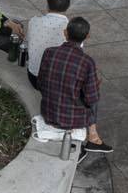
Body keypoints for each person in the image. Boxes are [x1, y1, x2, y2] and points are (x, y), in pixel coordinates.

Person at [37, 16, 114, 157]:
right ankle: (93, 138)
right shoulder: (87, 62)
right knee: (94, 94)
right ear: (87, 36)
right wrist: (94, 87)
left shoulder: (49, 52)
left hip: (48, 112)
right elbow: (92, 99)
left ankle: (91, 140)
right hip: (72, 119)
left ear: (65, 33)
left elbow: (40, 83)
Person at [23, 0, 72, 90]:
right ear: (68, 7)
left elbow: (28, 42)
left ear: (47, 4)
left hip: (34, 78)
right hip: (55, 83)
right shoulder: (70, 29)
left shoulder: (34, 21)